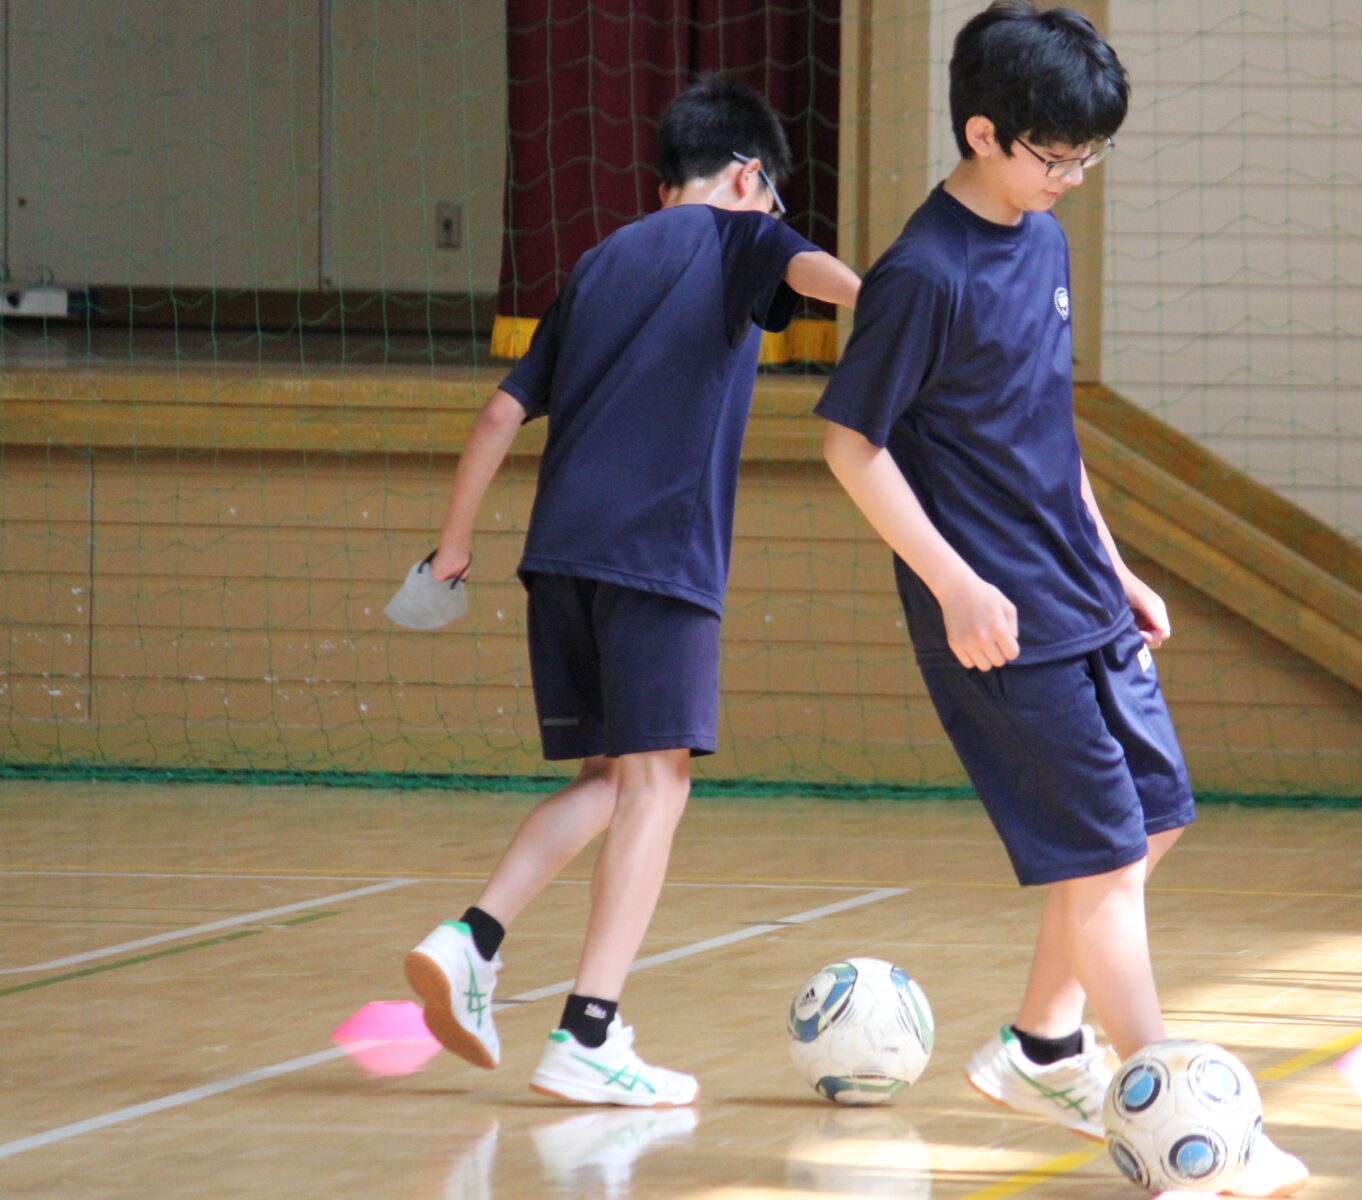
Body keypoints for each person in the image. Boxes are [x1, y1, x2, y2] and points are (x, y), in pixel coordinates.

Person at [813, 4, 1307, 1194]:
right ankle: (1169, 1102)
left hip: (1080, 589)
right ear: (983, 132)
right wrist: (953, 583)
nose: (1074, 179)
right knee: (1099, 863)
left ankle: (1041, 1047)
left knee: (1153, 823)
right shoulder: (920, 275)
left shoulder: (1040, 236)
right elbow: (849, 445)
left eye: (1090, 157)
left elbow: (1043, 430)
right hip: (998, 621)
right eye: (1057, 156)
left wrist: (1118, 562)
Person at [402, 75, 859, 1106]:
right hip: (659, 559)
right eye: (772, 195)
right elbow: (831, 282)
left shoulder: (599, 264)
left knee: (608, 780)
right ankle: (588, 1033)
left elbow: (494, 418)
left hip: (555, 560)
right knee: (662, 785)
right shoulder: (743, 236)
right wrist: (901, 307)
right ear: (750, 176)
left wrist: (452, 551)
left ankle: (471, 940)